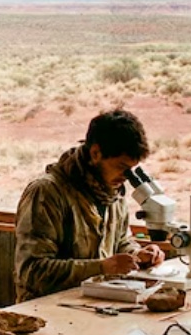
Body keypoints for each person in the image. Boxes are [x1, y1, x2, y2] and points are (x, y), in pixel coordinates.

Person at [13, 108, 165, 302]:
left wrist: (137, 255)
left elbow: (120, 242)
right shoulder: (47, 193)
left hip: (95, 305)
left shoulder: (112, 193)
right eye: (121, 167)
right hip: (47, 309)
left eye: (130, 170)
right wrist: (101, 268)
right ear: (95, 153)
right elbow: (32, 272)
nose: (126, 177)